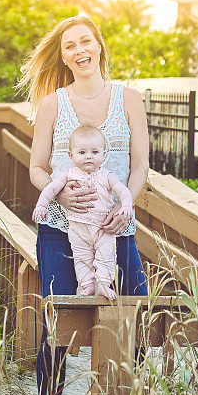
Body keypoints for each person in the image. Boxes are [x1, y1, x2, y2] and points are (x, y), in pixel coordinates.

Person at [19, 15, 149, 395]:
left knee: (138, 314)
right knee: (55, 321)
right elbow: (37, 167)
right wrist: (60, 196)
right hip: (61, 228)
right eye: (69, 46)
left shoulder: (130, 98)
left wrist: (123, 206)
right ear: (64, 56)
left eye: (85, 42)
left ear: (99, 47)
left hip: (115, 226)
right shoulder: (52, 103)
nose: (79, 51)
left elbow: (141, 166)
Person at [32, 125, 133, 299]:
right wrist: (41, 205)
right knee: (81, 258)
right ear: (71, 155)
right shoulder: (68, 175)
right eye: (82, 152)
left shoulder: (106, 176)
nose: (88, 157)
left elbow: (123, 191)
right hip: (77, 228)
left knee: (106, 256)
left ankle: (103, 284)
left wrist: (126, 206)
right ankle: (87, 286)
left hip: (103, 227)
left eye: (94, 152)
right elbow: (51, 189)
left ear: (103, 154)